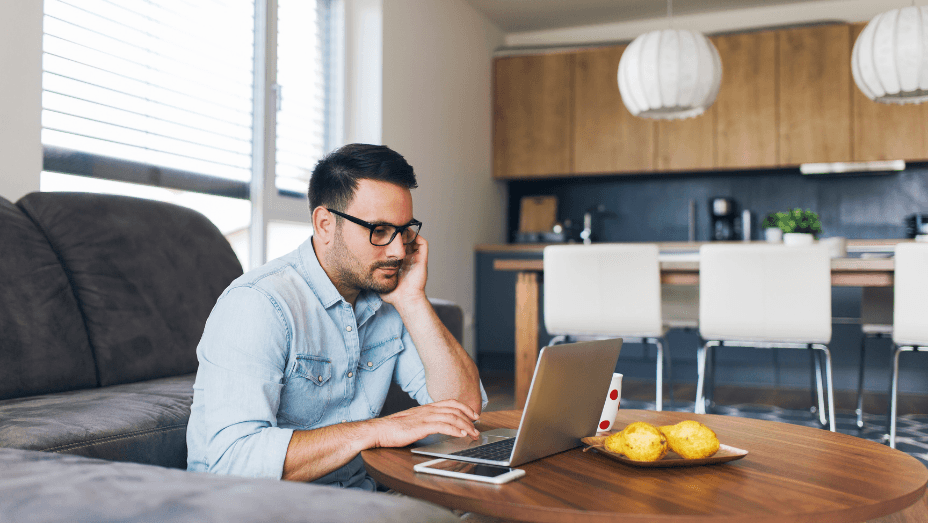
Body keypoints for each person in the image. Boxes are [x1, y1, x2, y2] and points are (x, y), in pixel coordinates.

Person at [186, 143, 486, 490]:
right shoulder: (258, 305)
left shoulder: (388, 298)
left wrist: (413, 300)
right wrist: (376, 431)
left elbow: (465, 411)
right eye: (379, 230)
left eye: (404, 231)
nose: (398, 250)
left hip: (360, 501)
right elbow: (232, 461)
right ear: (325, 224)